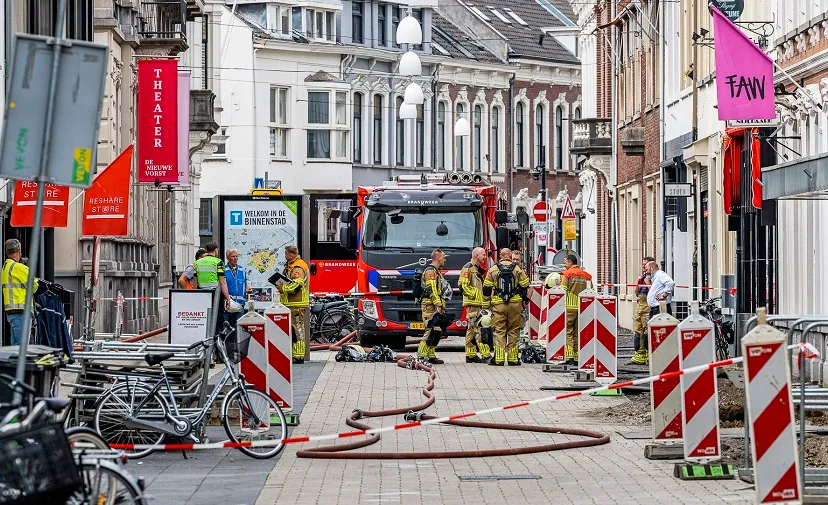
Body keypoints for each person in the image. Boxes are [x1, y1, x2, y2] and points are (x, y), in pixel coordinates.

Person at [483, 248, 530, 366]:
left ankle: (498, 359)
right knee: (514, 330)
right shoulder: (518, 269)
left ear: (500, 256)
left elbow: (486, 289)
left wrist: (486, 305)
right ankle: (513, 359)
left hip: (499, 304)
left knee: (499, 330)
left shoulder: (493, 269)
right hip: (515, 303)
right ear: (510, 256)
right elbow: (525, 285)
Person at [2, 239, 38, 345]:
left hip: (12, 312)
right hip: (21, 312)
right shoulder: (18, 267)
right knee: (21, 348)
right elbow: (34, 285)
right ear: (19, 251)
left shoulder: (5, 268)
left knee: (15, 348)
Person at [278, 245, 309, 364]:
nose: (285, 256)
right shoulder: (290, 266)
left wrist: (283, 288)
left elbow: (297, 284)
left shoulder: (297, 267)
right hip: (291, 303)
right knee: (294, 329)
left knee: (298, 329)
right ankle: (295, 353)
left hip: (297, 303)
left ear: (291, 255)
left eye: (286, 254)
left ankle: (299, 355)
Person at [459, 247, 490, 363]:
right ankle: (486, 354)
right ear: (476, 255)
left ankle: (471, 354)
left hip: (477, 303)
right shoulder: (468, 268)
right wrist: (476, 295)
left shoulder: (475, 269)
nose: (485, 257)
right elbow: (463, 286)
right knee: (479, 329)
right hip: (473, 304)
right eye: (483, 254)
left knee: (471, 329)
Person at [193, 242, 233, 331]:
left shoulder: (197, 263)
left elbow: (195, 283)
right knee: (218, 319)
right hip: (215, 295)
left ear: (207, 251)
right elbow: (222, 282)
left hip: (202, 294)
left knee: (204, 317)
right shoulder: (218, 262)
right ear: (215, 250)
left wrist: (195, 296)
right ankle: (216, 341)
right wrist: (227, 298)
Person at [560, 254, 592, 365]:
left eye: (565, 262)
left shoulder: (567, 274)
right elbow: (591, 291)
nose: (564, 265)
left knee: (568, 331)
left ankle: (569, 356)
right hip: (583, 308)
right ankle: (578, 356)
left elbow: (562, 290)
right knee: (578, 332)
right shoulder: (587, 276)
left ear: (570, 262)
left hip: (569, 306)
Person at [417, 249, 448, 364]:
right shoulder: (430, 271)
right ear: (438, 258)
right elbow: (431, 289)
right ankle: (421, 355)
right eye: (443, 257)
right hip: (430, 306)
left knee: (437, 330)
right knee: (430, 329)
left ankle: (430, 354)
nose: (445, 259)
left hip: (434, 305)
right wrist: (438, 304)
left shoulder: (436, 271)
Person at [630, 256, 655, 365]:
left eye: (646, 264)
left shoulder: (655, 277)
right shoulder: (643, 277)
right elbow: (637, 292)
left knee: (647, 331)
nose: (643, 267)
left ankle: (650, 356)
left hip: (647, 306)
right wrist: (639, 281)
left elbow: (654, 292)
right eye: (643, 264)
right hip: (640, 305)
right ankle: (640, 355)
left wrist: (648, 282)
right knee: (639, 330)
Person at [224, 249, 250, 328]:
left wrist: (247, 288)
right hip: (228, 304)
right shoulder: (224, 270)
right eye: (233, 256)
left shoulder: (242, 269)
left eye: (236, 256)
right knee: (226, 327)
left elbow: (244, 283)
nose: (235, 258)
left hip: (239, 304)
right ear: (228, 258)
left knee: (238, 328)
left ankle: (237, 341)